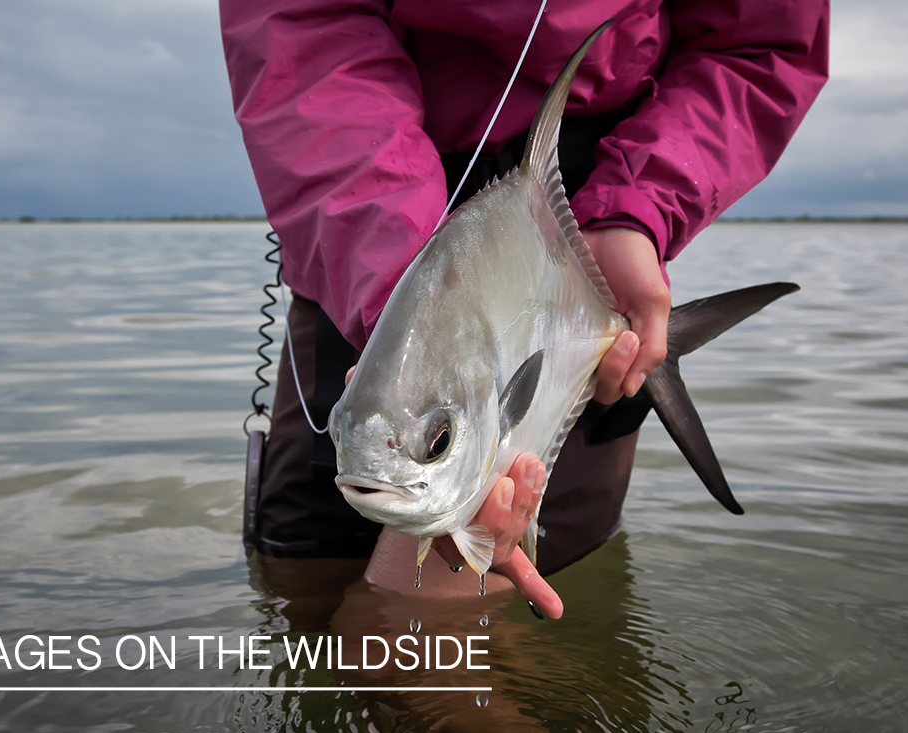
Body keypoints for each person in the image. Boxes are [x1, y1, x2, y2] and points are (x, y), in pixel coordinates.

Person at [220, 0, 829, 618]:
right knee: (295, 580)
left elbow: (762, 44)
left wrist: (636, 211)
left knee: (453, 625)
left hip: (595, 191)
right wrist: (405, 297)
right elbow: (303, 30)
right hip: (363, 216)